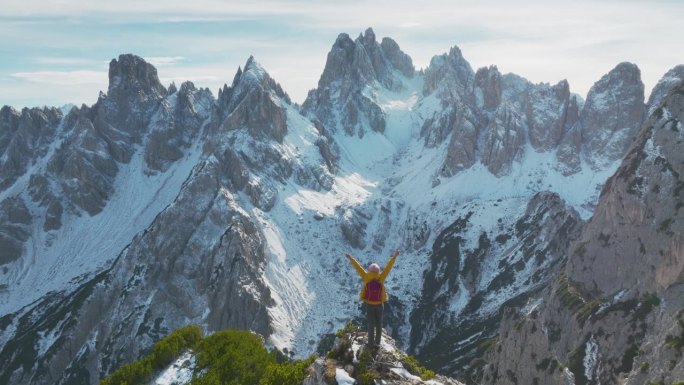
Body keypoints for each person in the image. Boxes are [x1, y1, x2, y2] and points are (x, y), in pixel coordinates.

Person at [345, 249, 400, 349]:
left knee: (371, 324)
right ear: (378, 270)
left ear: (369, 270)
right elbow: (388, 267)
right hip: (379, 304)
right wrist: (394, 257)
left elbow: (358, 267)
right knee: (379, 324)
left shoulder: (366, 276)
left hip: (369, 304)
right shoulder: (381, 277)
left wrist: (350, 258)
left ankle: (370, 344)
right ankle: (377, 344)